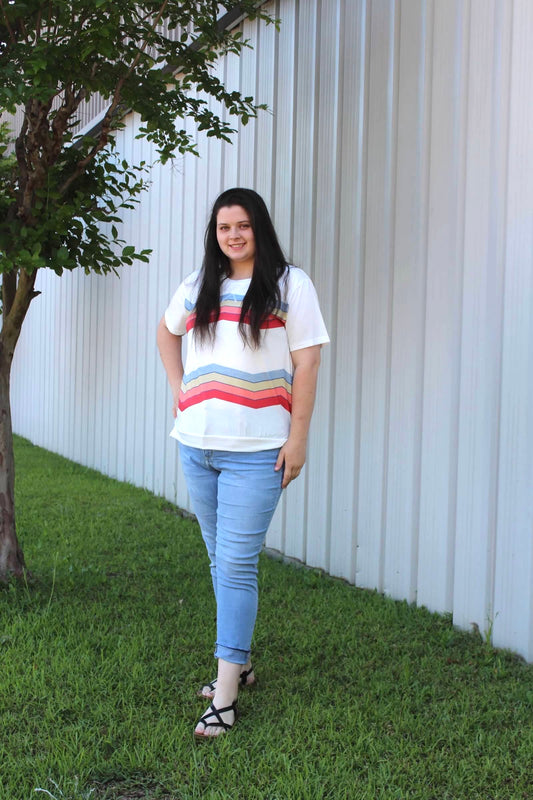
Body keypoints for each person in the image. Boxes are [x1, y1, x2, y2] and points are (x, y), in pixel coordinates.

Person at [157, 187, 329, 738]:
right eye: (224, 226)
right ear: (215, 232)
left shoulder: (288, 285)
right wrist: (180, 389)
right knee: (218, 561)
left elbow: (307, 364)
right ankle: (242, 663)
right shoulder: (198, 284)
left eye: (243, 225)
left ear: (260, 228)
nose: (233, 235)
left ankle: (225, 695)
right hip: (197, 444)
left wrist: (297, 438)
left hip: (257, 452)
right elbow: (166, 331)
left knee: (234, 566)